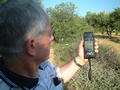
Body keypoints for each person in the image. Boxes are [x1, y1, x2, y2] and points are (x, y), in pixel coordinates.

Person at [0, 0, 98, 90]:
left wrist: (80, 59)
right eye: (48, 34)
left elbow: (57, 79)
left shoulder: (41, 65)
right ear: (32, 46)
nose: (52, 38)